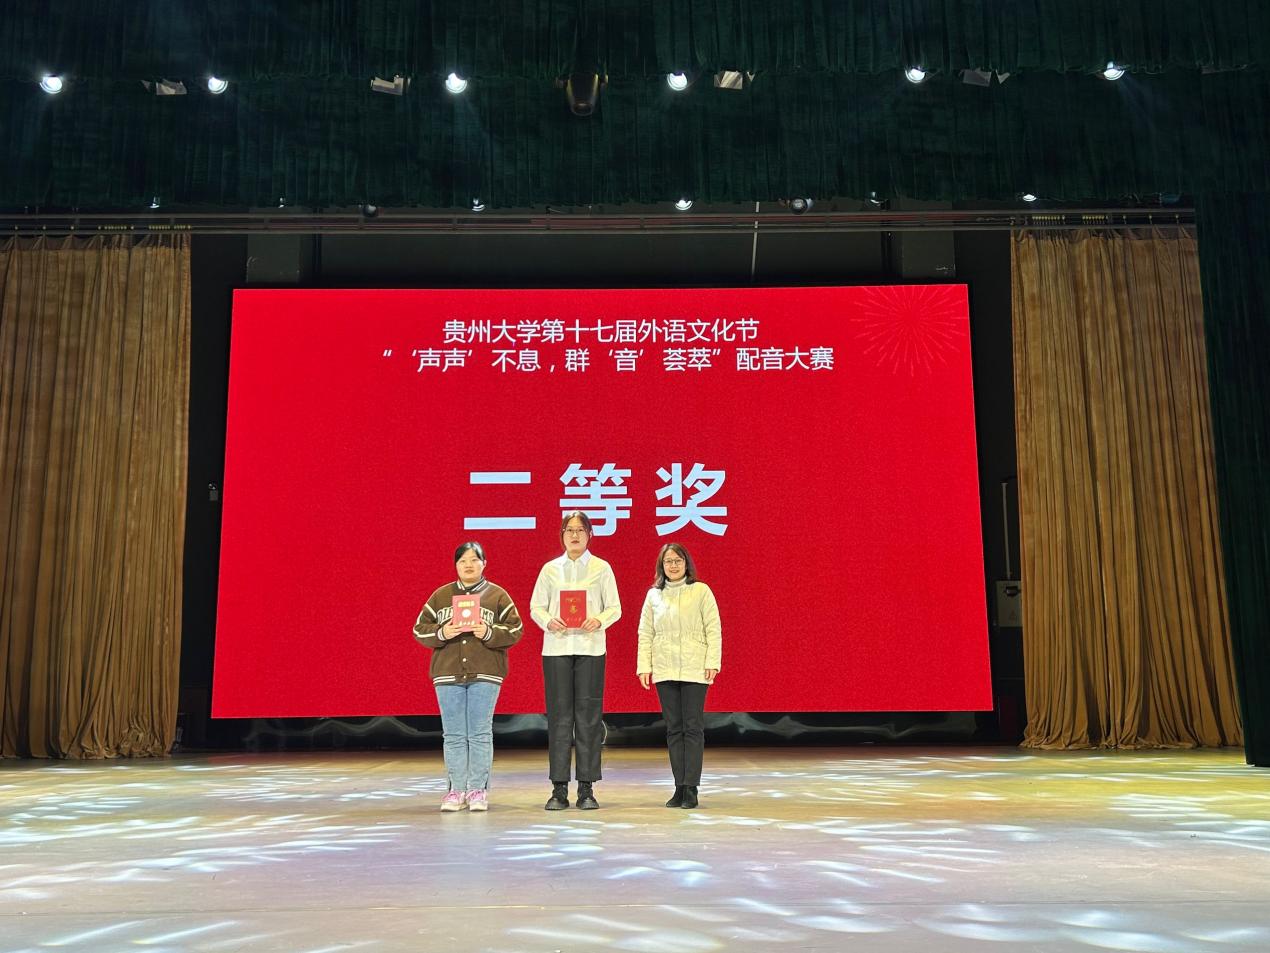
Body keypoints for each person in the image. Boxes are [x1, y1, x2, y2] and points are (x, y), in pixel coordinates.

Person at [413, 542, 523, 812]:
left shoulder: (497, 595)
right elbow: (419, 629)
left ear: (484, 563)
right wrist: (442, 632)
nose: (469, 565)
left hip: (486, 673)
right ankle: (455, 790)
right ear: (456, 565)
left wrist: (488, 632)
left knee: (479, 733)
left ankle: (477, 790)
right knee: (453, 734)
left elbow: (516, 630)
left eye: (474, 560)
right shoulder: (441, 596)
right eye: (463, 561)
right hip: (447, 673)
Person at [530, 511, 621, 810]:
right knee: (559, 718)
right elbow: (536, 607)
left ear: (590, 534)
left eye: (580, 530)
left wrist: (599, 619)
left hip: (591, 649)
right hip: (556, 648)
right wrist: (548, 620)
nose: (574, 535)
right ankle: (558, 788)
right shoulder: (550, 569)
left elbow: (615, 608)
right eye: (569, 530)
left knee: (589, 718)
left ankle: (586, 787)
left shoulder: (601, 568)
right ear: (562, 535)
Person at [636, 543, 722, 809]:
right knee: (674, 728)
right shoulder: (654, 595)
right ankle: (679, 787)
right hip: (665, 667)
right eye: (668, 561)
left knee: (692, 727)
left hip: (695, 667)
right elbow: (645, 633)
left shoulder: (701, 591)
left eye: (678, 560)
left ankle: (692, 787)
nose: (673, 566)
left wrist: (713, 662)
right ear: (661, 566)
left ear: (686, 563)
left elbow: (713, 628)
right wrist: (644, 666)